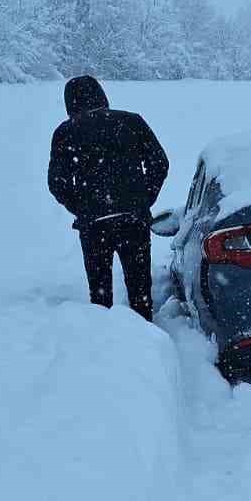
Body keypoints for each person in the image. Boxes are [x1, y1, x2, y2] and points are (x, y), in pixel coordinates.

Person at [47, 75, 169, 319]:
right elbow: (160, 163)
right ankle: (146, 341)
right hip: (133, 220)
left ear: (70, 103)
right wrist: (144, 199)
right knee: (140, 289)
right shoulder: (132, 122)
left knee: (100, 296)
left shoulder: (66, 132)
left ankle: (104, 342)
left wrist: (82, 208)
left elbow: (57, 183)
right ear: (101, 95)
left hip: (93, 225)